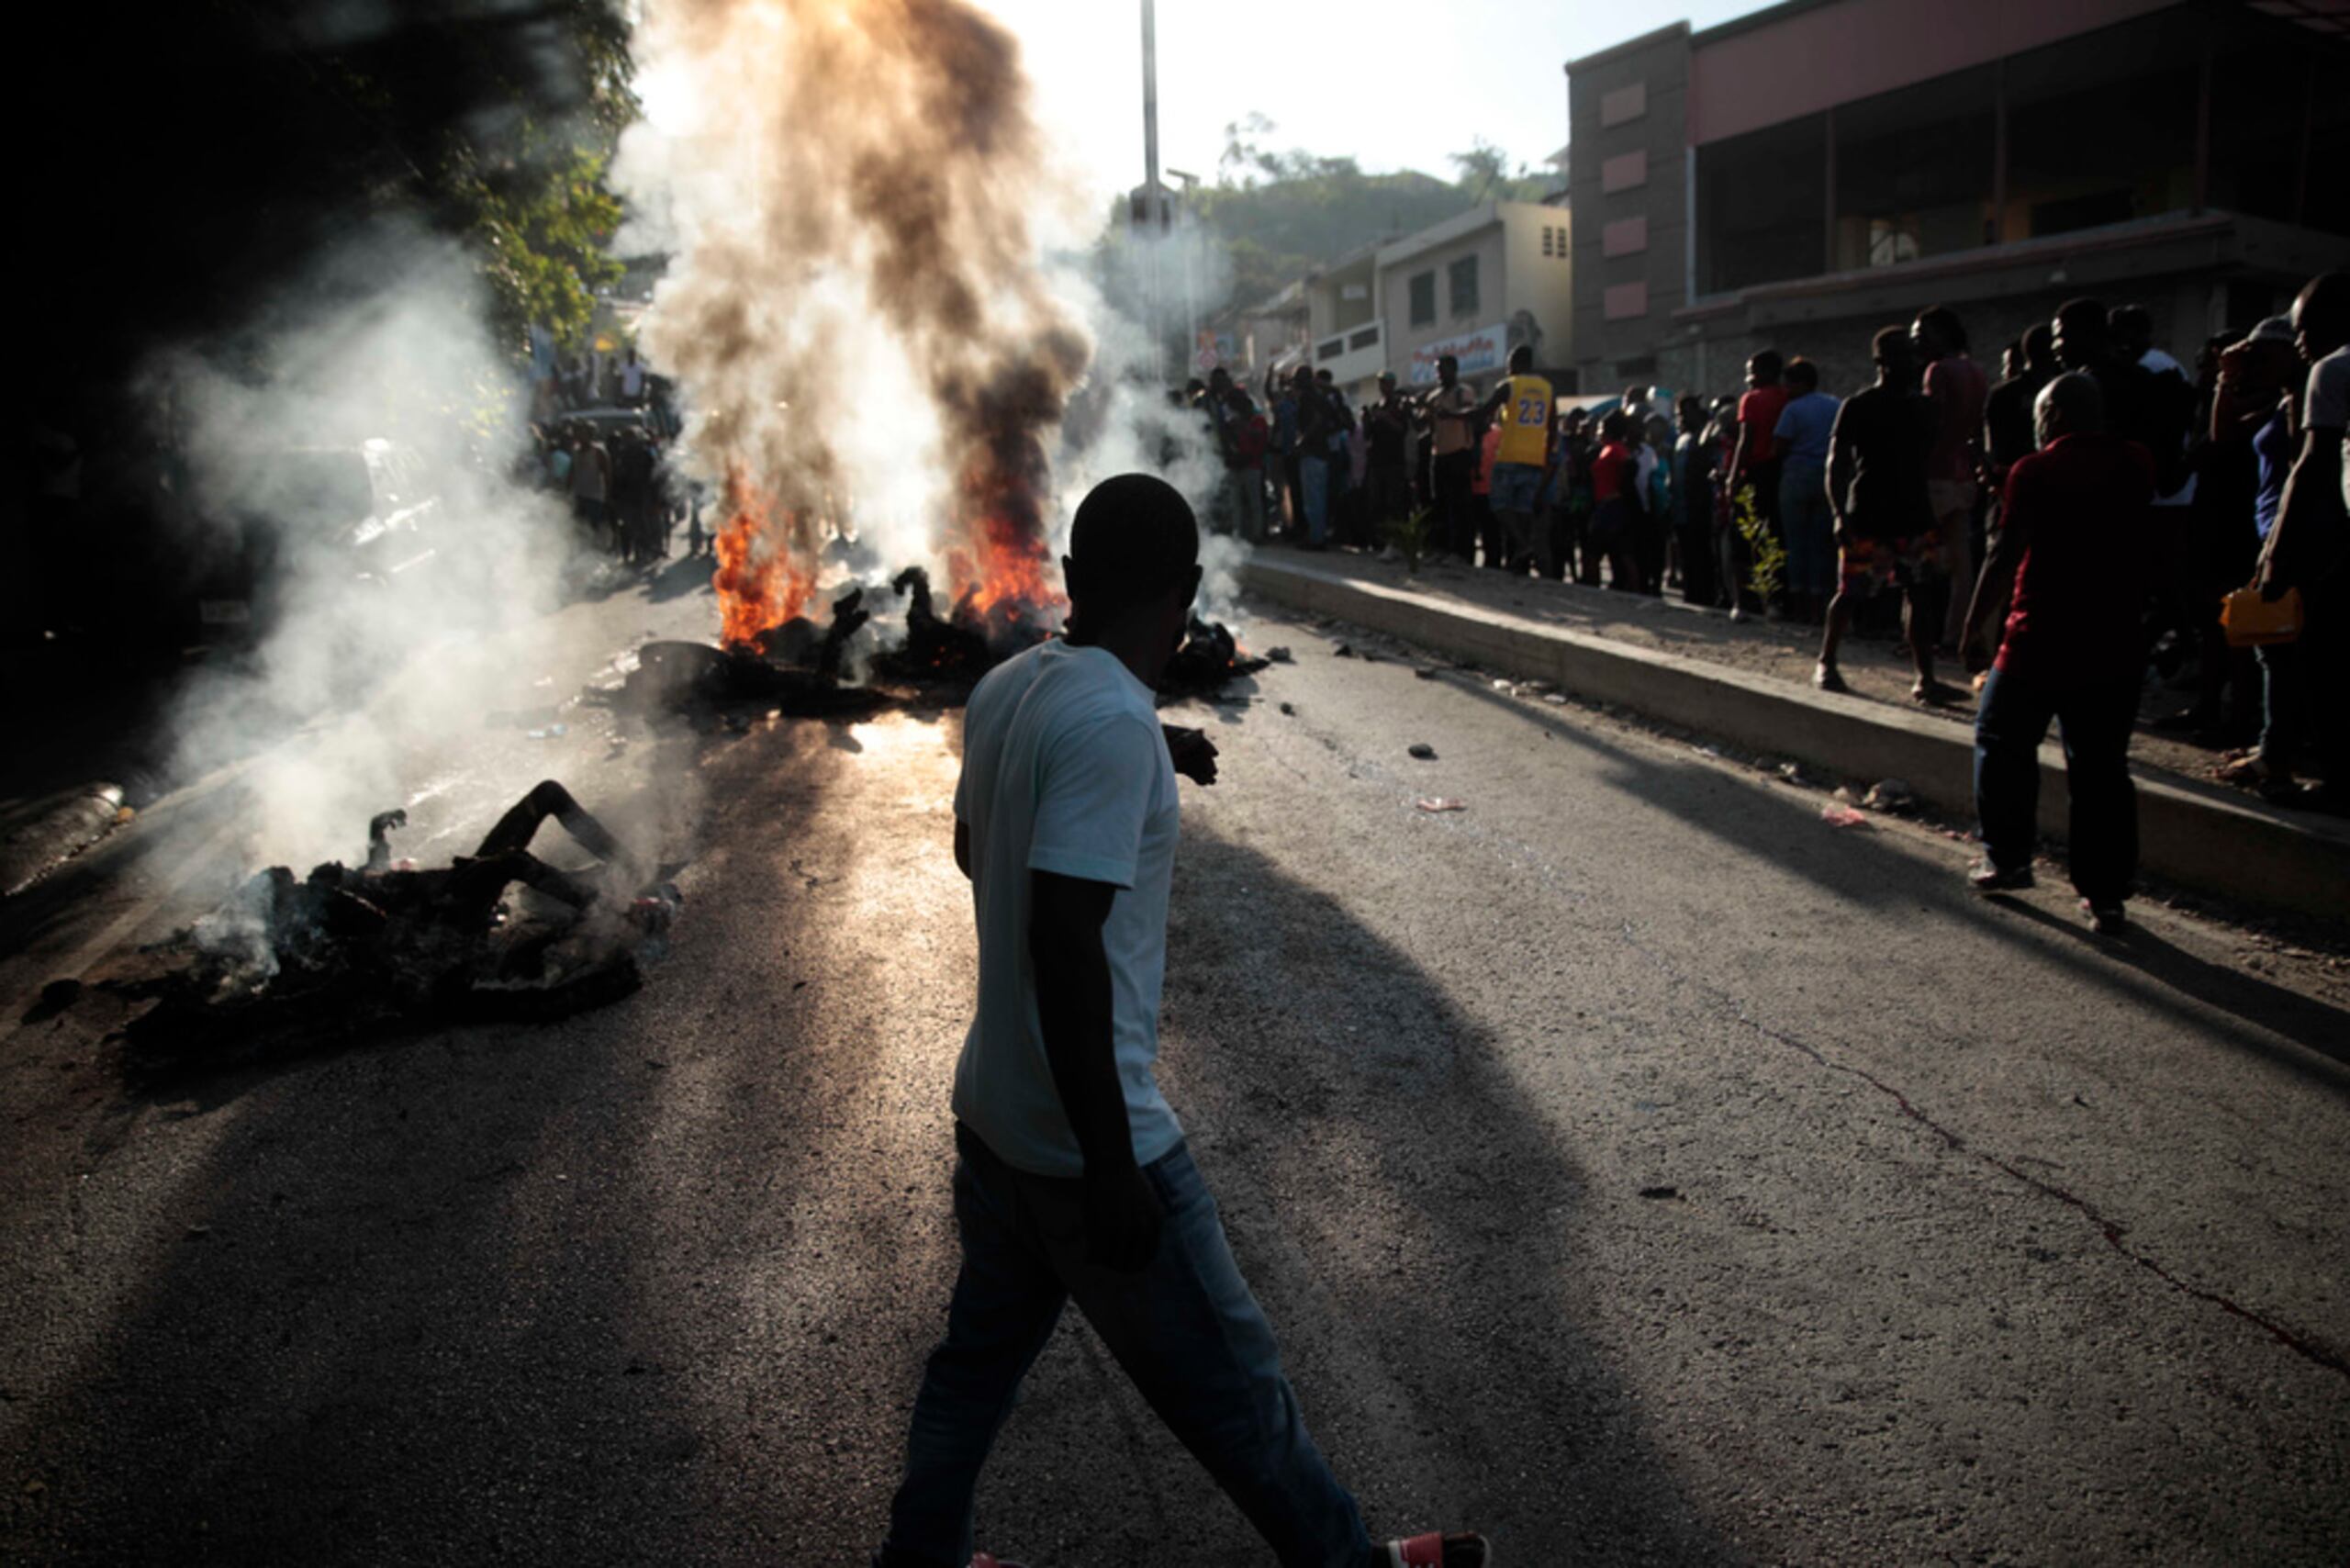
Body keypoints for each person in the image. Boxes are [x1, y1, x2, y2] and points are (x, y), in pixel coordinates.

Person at [874, 474, 1490, 1568]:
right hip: (1085, 1145)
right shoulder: (1111, 724)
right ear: (1187, 592)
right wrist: (1113, 1165)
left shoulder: (1009, 687)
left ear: (1070, 578)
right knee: (1239, 1394)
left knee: (970, 1374)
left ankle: (918, 1560)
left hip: (995, 1118)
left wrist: (1147, 748)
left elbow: (980, 849)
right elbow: (1065, 943)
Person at [1961, 373, 2155, 933]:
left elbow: (2007, 550)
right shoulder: (2136, 462)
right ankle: (2106, 894)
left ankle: (2008, 858)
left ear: (2054, 417)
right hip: (2115, 639)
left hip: (2039, 637)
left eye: (2040, 417)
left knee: (2002, 741)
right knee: (2101, 768)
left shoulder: (2036, 470)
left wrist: (1974, 625)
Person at [2252, 272, 2350, 815]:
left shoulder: (2332, 370)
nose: (2300, 340)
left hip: (2336, 545)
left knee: (2325, 661)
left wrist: (2275, 555)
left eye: (2305, 327)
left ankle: (2338, 782)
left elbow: (2311, 467)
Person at [1817, 327, 1947, 701]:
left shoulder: (1925, 407)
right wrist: (1838, 513)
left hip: (1914, 514)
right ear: (1881, 362)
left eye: (1912, 354)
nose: (1910, 362)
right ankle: (1827, 660)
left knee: (1919, 593)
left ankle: (1925, 677)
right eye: (1901, 355)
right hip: (1868, 513)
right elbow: (1837, 464)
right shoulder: (1859, 405)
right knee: (1851, 592)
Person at [2207, 317, 2307, 796]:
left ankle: (2277, 755)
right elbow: (2223, 435)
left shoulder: (2308, 398)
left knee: (2280, 649)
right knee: (2270, 646)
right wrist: (2227, 380)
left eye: (2264, 356)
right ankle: (2273, 744)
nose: (2257, 365)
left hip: (2292, 541)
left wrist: (2276, 549)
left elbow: (2305, 474)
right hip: (2271, 536)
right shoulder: (2281, 401)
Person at [1914, 307, 1987, 648]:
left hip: (1935, 473)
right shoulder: (1975, 370)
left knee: (1919, 559)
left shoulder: (1938, 371)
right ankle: (1956, 635)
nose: (1916, 343)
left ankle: (1919, 635)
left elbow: (1931, 422)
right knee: (1962, 564)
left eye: (1921, 335)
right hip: (1963, 473)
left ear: (1939, 334)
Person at [1772, 359, 1841, 622]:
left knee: (1796, 543)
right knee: (1821, 544)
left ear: (1800, 383)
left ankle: (1799, 606)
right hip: (1826, 477)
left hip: (1797, 476)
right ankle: (1818, 606)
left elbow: (1779, 446)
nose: (1785, 390)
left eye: (1789, 384)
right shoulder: (1834, 405)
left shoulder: (1793, 409)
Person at [1482, 344, 1554, 575]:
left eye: (1509, 364)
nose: (1507, 369)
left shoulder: (1509, 385)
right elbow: (1552, 427)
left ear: (1518, 363)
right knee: (1522, 510)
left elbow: (1485, 411)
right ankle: (1519, 559)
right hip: (1534, 458)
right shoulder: (1547, 388)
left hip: (1510, 455)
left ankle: (1522, 545)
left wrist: (1458, 415)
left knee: (1499, 504)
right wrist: (1546, 457)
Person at [1728, 351, 1790, 599]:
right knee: (1776, 535)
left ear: (1766, 372)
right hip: (1781, 471)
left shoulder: (1751, 400)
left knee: (1744, 537)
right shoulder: (1789, 396)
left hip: (1755, 472)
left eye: (1751, 372)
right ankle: (1778, 595)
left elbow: (1746, 440)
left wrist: (1733, 477)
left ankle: (1744, 599)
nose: (1748, 379)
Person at [1419, 355, 1482, 564]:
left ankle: (1462, 552)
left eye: (1442, 369)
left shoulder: (1463, 391)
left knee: (1460, 505)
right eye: (1437, 370)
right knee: (1440, 504)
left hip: (1459, 453)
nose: (1439, 374)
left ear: (1453, 369)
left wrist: (1450, 414)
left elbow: (1471, 412)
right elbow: (1424, 425)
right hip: (1439, 455)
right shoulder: (1434, 396)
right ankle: (1441, 548)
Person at [1205, 368, 1269, 544]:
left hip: (1252, 464)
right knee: (1237, 503)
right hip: (1236, 464)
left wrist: (1242, 426)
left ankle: (1257, 534)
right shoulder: (1229, 420)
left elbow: (1260, 438)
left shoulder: (1256, 420)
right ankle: (1238, 533)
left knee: (1254, 502)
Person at [1587, 409, 1643, 590]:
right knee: (1619, 551)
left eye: (1601, 429)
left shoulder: (1616, 449)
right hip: (1606, 505)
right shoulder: (1606, 449)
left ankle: (1633, 586)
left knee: (1597, 550)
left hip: (1611, 507)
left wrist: (1620, 490)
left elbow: (1630, 465)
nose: (1598, 433)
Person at [1672, 396, 1718, 606]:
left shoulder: (1704, 439)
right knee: (1687, 557)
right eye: (1679, 414)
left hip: (1699, 509)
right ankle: (1691, 595)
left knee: (1702, 556)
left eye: (1685, 414)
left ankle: (1705, 596)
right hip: (1681, 509)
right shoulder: (1681, 439)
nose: (1681, 418)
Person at [1363, 372, 1414, 546]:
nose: (1383, 386)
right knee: (1376, 502)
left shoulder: (1400, 405)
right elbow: (1367, 435)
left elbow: (1402, 429)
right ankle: (1380, 540)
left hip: (1394, 461)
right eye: (1381, 383)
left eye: (1386, 383)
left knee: (1395, 503)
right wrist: (1367, 420)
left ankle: (1396, 542)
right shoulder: (1376, 406)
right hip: (1376, 461)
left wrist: (1386, 418)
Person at [1291, 365, 1334, 548]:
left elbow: (1317, 420)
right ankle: (1317, 535)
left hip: (1312, 452)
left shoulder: (1308, 396)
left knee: (1312, 499)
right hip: (1320, 451)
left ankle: (1316, 538)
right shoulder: (1319, 396)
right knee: (1317, 497)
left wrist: (1302, 440)